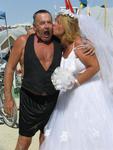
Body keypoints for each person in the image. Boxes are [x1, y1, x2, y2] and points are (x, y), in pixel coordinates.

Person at [4, 9, 94, 150]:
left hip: (53, 101)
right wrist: (8, 98)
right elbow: (9, 68)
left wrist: (90, 43)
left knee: (47, 139)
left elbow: (75, 38)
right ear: (34, 27)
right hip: (30, 100)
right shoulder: (23, 41)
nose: (46, 26)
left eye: (48, 22)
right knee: (24, 141)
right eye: (41, 23)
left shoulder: (59, 41)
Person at [40, 10, 113, 150]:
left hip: (87, 94)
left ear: (66, 26)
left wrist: (74, 82)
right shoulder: (61, 46)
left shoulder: (79, 44)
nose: (53, 25)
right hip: (68, 96)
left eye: (57, 23)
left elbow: (95, 66)